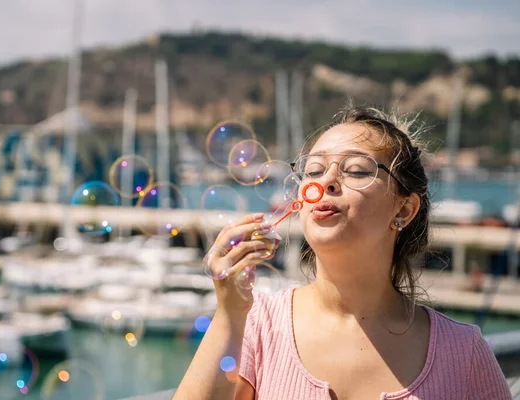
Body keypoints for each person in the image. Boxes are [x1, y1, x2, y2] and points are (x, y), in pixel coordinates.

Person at [174, 105, 511, 399]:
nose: (326, 182)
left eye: (357, 170)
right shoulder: (256, 325)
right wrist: (229, 314)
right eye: (314, 171)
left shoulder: (463, 353)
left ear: (404, 210)